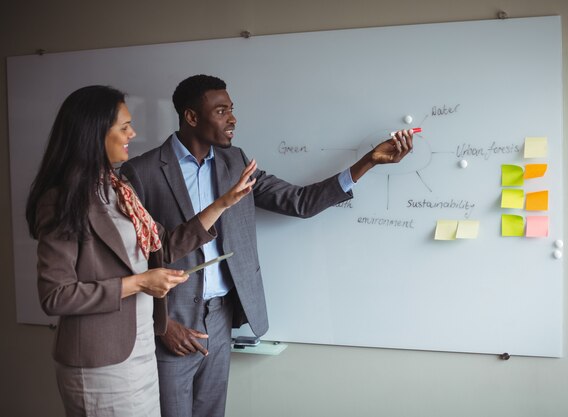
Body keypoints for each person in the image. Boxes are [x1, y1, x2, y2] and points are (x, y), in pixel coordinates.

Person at [120, 75, 414, 417]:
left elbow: (299, 202)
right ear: (191, 117)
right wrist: (163, 324)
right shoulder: (141, 173)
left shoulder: (235, 163)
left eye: (232, 109)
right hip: (172, 318)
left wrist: (368, 162)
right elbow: (131, 260)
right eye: (220, 111)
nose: (232, 119)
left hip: (221, 315)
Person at [25, 85, 256, 417]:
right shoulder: (62, 199)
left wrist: (223, 203)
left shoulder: (120, 189)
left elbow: (166, 244)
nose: (133, 133)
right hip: (100, 363)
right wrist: (139, 283)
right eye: (124, 127)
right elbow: (56, 296)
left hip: (142, 352)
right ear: (93, 134)